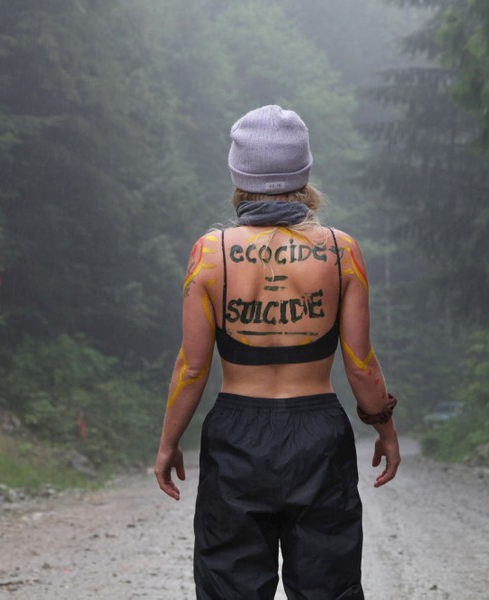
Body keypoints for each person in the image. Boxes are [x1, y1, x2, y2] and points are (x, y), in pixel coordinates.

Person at [154, 105, 400, 600]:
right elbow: (361, 362)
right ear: (304, 172)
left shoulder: (210, 253)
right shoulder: (340, 250)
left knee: (230, 586)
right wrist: (385, 428)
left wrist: (168, 442)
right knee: (328, 588)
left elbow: (193, 365)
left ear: (238, 173)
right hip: (318, 436)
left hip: (237, 436)